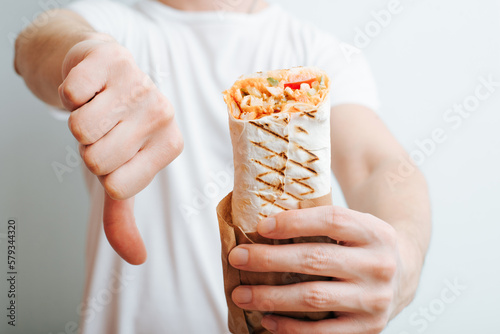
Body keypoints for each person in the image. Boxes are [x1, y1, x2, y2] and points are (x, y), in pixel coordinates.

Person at [14, 0, 431, 333]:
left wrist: (404, 260)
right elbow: (35, 45)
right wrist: (84, 54)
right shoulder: (117, 27)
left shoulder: (319, 52)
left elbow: (379, 165)